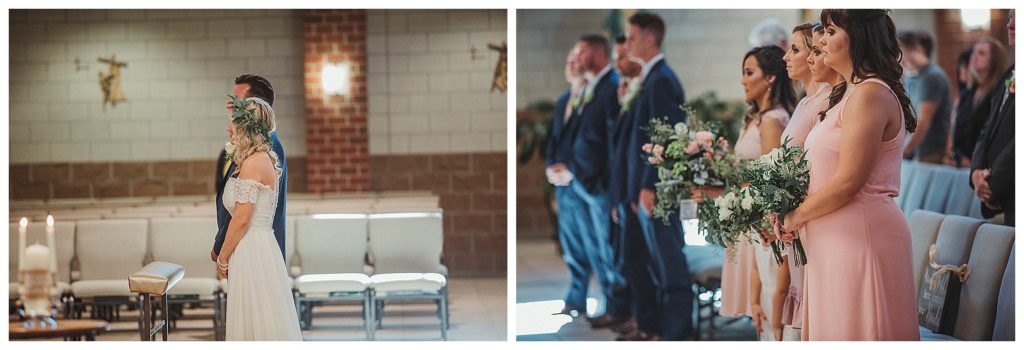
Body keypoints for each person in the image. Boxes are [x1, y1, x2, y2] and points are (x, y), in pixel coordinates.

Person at [781, 9, 920, 340]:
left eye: (830, 31)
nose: (821, 40)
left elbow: (848, 182)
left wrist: (794, 217)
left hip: (860, 237)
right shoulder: (849, 93)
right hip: (833, 239)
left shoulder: (871, 93)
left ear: (857, 37)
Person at [624, 11, 693, 341]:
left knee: (671, 268)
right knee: (657, 264)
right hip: (649, 188)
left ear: (650, 39)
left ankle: (678, 334)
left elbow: (666, 139)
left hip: (660, 189)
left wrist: (649, 185)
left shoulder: (662, 79)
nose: (628, 43)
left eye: (632, 36)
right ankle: (666, 331)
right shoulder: (651, 78)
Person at [217, 96, 302, 340]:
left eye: (233, 122)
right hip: (255, 247)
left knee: (259, 324)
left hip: (252, 248)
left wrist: (223, 258)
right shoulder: (258, 159)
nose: (228, 128)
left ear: (248, 126)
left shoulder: (254, 162)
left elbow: (242, 219)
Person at [567, 33, 629, 328]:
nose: (577, 57)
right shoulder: (592, 87)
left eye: (581, 51)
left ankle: (619, 308)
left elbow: (611, 142)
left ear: (596, 52)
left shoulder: (609, 86)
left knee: (609, 250)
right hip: (586, 185)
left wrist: (601, 180)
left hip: (601, 185)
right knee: (597, 251)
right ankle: (610, 303)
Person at [736, 45, 795, 341]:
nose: (743, 80)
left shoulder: (772, 120)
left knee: (773, 303)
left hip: (766, 225)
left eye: (749, 72)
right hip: (755, 221)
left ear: (770, 78)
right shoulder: (757, 117)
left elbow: (771, 185)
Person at [607, 33, 656, 339]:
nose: (619, 62)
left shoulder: (648, 89)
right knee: (628, 259)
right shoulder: (628, 91)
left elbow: (644, 146)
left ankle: (647, 323)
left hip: (639, 191)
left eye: (623, 55)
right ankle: (640, 318)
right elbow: (620, 149)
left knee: (639, 261)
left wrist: (642, 187)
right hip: (625, 190)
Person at [213, 74, 289, 265]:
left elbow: (245, 212)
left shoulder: (267, 148)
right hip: (242, 246)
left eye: (236, 102)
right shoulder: (252, 146)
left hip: (255, 251)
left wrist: (220, 247)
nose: (229, 107)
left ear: (255, 106)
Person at [545, 49, 592, 317]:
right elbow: (555, 139)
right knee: (571, 244)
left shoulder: (593, 98)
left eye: (575, 61)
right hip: (562, 184)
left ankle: (608, 303)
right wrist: (550, 167)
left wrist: (572, 169)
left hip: (583, 182)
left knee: (591, 244)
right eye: (568, 60)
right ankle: (576, 298)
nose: (569, 65)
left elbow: (589, 143)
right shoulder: (564, 100)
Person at [970, 9, 1015, 226]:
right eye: (1009, 18)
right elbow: (987, 130)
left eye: (1017, 18)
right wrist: (976, 174)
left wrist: (991, 183)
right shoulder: (1011, 74)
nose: (1011, 25)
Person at [952, 37, 1009, 168]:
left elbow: (997, 137)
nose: (974, 57)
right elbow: (957, 134)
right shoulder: (966, 95)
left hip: (988, 167)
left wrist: (977, 163)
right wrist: (959, 157)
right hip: (964, 166)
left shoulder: (1000, 93)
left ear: (994, 60)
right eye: (973, 52)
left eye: (981, 53)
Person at [898, 30, 951, 164]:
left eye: (903, 53)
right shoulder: (912, 77)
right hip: (917, 148)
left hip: (932, 152)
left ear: (918, 49)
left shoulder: (932, 77)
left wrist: (905, 151)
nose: (900, 60)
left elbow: (923, 121)